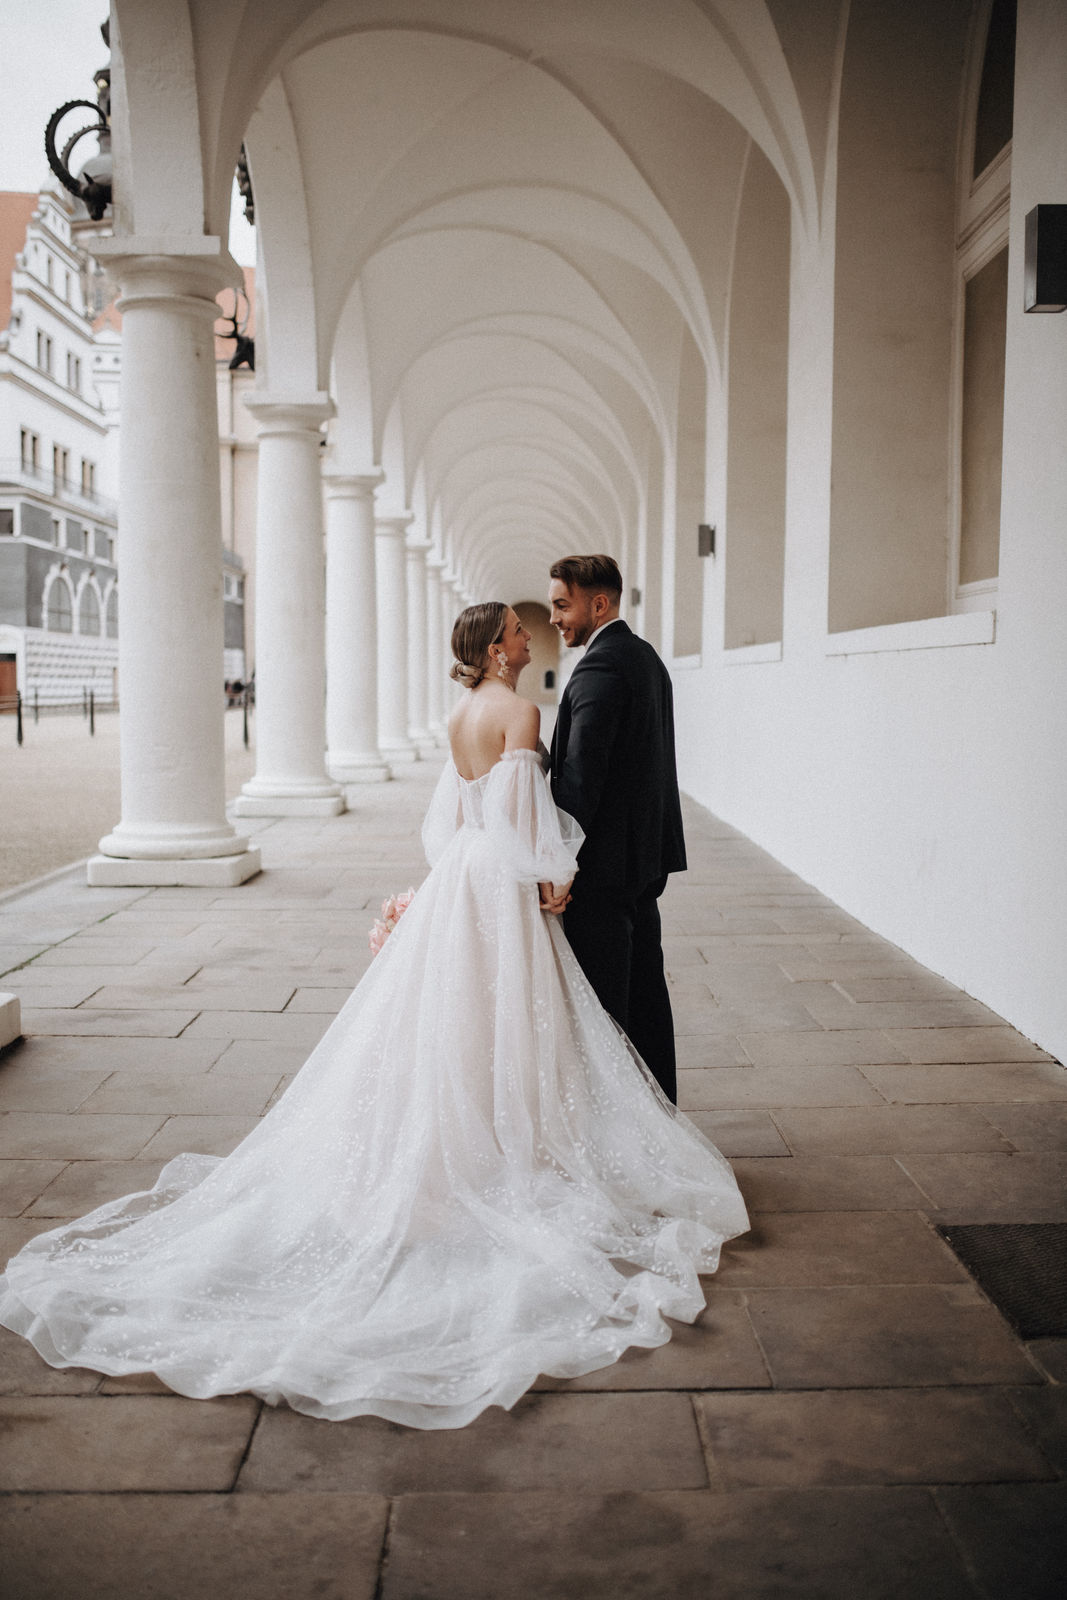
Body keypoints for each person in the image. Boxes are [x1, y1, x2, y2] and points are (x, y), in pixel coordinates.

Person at [0, 604, 747, 1430]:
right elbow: (526, 822)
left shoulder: (463, 715)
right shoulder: (521, 712)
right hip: (497, 888)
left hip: (459, 881)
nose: (528, 637)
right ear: (496, 649)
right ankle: (508, 1144)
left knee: (452, 1022)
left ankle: (462, 1136)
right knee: (512, 1021)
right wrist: (555, 873)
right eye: (515, 632)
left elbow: (455, 824)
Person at [548, 555, 685, 1103]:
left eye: (562, 604)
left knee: (605, 1011)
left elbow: (583, 781)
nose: (556, 617)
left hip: (601, 873)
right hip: (642, 865)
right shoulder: (647, 658)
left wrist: (557, 863)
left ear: (597, 603)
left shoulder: (601, 667)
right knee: (647, 999)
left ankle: (620, 1131)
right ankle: (660, 1116)